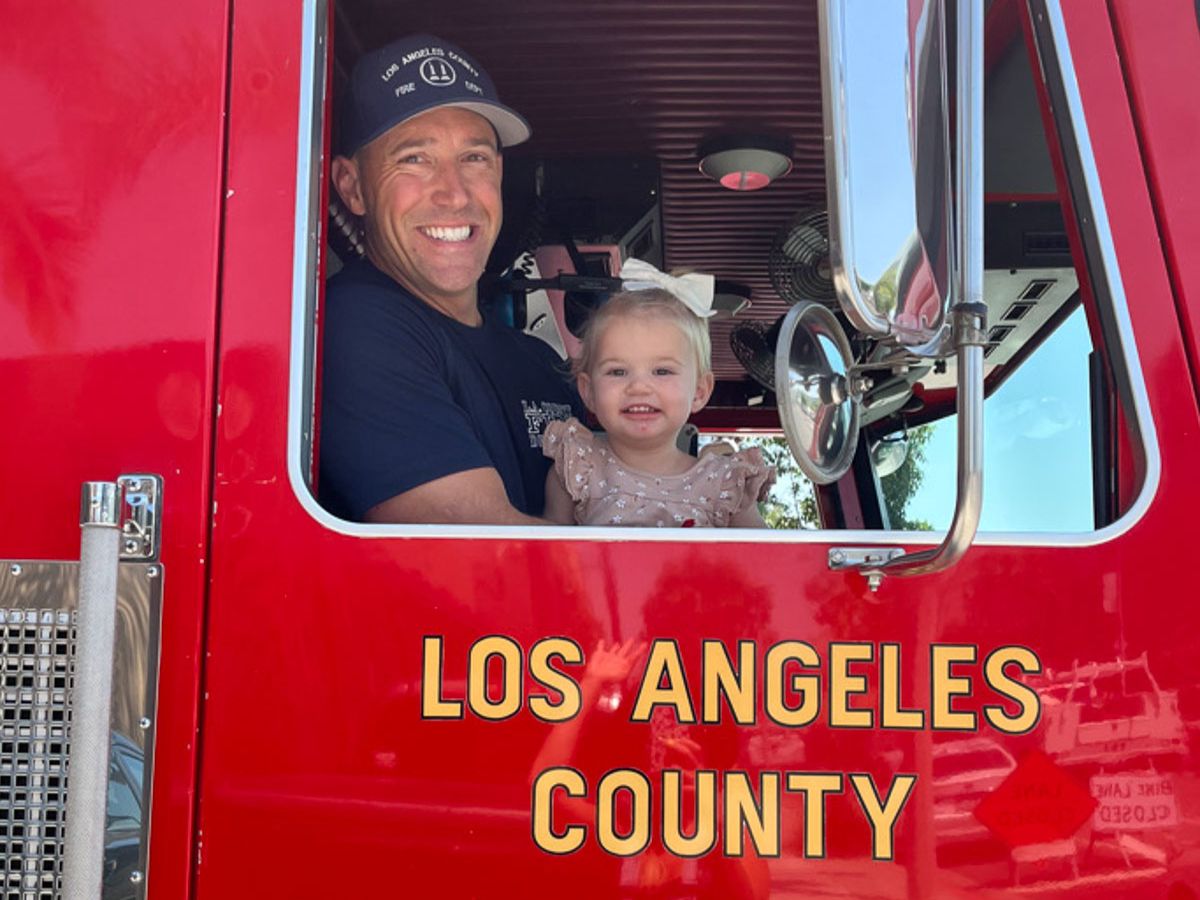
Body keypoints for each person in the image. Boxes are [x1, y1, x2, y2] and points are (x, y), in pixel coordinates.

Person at [318, 34, 583, 524]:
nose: (454, 194)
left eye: (474, 158)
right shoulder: (354, 327)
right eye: (415, 159)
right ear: (352, 187)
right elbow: (481, 554)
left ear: (499, 172)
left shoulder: (540, 361)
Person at [543, 270, 774, 527]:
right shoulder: (576, 468)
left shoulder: (726, 486)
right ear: (588, 392)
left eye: (662, 371)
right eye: (617, 371)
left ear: (699, 391)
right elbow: (547, 558)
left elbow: (765, 562)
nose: (639, 387)